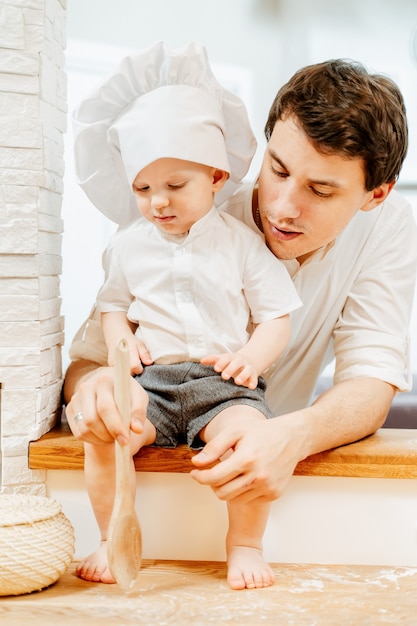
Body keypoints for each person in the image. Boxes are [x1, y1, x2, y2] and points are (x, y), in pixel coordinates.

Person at [64, 48, 417, 577]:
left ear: (376, 195)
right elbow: (85, 364)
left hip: (253, 449)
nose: (281, 207)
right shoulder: (181, 207)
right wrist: (93, 389)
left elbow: (372, 379)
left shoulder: (389, 229)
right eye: (277, 169)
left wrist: (293, 436)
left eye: (320, 190)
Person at [68, 41, 302, 590]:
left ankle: (244, 543)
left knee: (249, 435)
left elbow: (276, 317)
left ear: (217, 178)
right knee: (106, 437)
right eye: (144, 189)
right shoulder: (128, 245)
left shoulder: (243, 244)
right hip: (154, 382)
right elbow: (112, 305)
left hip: (224, 385)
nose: (159, 202)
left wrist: (250, 357)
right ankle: (110, 538)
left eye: (176, 185)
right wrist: (121, 344)